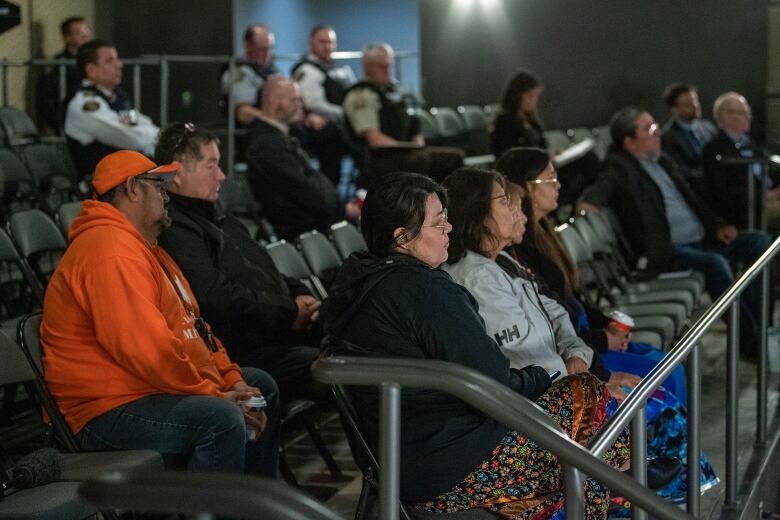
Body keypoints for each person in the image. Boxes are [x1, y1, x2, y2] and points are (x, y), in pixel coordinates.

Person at [321, 171, 630, 518]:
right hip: (453, 467)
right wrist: (542, 376)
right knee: (586, 397)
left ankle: (584, 504)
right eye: (438, 224)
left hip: (400, 462)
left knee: (580, 442)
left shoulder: (360, 286)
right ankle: (612, 502)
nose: (448, 230)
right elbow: (494, 386)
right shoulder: (426, 291)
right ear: (403, 237)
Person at [442, 167, 716, 505]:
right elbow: (525, 359)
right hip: (539, 404)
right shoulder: (477, 278)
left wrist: (577, 356)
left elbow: (557, 312)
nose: (517, 211)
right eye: (505, 203)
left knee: (659, 393)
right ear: (478, 213)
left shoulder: (500, 264)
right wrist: (585, 381)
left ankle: (658, 496)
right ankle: (640, 497)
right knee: (652, 406)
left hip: (567, 378)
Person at [41, 150, 281, 476]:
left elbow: (196, 332)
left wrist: (231, 381)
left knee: (258, 388)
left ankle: (254, 505)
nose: (166, 194)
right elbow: (149, 353)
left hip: (146, 390)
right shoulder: (109, 251)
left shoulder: (148, 250)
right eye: (159, 185)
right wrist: (215, 395)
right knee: (221, 419)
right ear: (132, 189)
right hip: (101, 411)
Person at [496, 147, 688, 403]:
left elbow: (569, 298)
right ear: (528, 187)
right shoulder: (519, 251)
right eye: (551, 178)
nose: (558, 185)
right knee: (666, 375)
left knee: (667, 365)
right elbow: (551, 316)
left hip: (583, 340)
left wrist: (605, 323)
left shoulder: (544, 234)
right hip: (578, 349)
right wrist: (600, 340)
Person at [577, 107, 771, 358]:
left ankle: (762, 330)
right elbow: (598, 191)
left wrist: (717, 226)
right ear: (629, 141)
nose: (657, 132)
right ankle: (751, 343)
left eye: (655, 126)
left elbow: (694, 199)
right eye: (648, 129)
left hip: (702, 239)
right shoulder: (619, 168)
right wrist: (587, 204)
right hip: (668, 253)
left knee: (760, 243)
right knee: (716, 264)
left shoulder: (662, 161)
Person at [155, 122, 324, 402]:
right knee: (345, 371)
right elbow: (216, 299)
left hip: (278, 331)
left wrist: (299, 294)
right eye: (211, 166)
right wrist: (288, 313)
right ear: (177, 173)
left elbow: (265, 270)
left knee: (362, 343)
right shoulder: (176, 231)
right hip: (246, 351)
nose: (221, 176)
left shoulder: (220, 218)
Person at [244, 76, 359, 240]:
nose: (300, 106)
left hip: (316, 223)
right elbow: (307, 189)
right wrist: (342, 208)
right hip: (307, 229)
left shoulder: (278, 138)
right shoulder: (266, 144)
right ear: (273, 101)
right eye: (295, 100)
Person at [342, 42, 463, 185]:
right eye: (383, 67)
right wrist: (409, 148)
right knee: (420, 158)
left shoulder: (392, 92)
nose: (388, 71)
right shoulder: (362, 96)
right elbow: (374, 140)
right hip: (380, 159)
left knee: (453, 157)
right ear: (368, 67)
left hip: (403, 153)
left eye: (390, 65)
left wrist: (416, 139)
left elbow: (411, 123)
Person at [491, 70, 599, 207]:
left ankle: (585, 203)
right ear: (518, 96)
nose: (534, 101)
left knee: (588, 159)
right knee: (586, 162)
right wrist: (544, 159)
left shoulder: (532, 121)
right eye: (531, 96)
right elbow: (507, 157)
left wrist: (552, 154)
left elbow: (539, 147)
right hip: (530, 174)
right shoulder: (505, 122)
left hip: (543, 168)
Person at [65, 39, 159, 181]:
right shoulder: (83, 104)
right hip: (101, 187)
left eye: (117, 59)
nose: (119, 65)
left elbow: (142, 122)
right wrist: (156, 140)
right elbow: (130, 138)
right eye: (110, 61)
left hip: (125, 180)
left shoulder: (116, 97)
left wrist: (154, 138)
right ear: (92, 70)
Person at [703, 91, 780, 232]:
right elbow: (726, 193)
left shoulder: (749, 142)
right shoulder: (715, 149)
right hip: (748, 209)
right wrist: (766, 196)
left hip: (767, 199)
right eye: (743, 113)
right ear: (726, 116)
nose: (749, 117)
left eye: (748, 112)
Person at [291, 25, 356, 125]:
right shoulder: (305, 70)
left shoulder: (336, 69)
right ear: (311, 43)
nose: (328, 47)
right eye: (322, 42)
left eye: (331, 42)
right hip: (326, 126)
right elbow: (314, 105)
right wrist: (347, 113)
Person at [36, 16, 92, 132]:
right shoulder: (59, 65)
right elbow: (45, 101)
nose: (85, 35)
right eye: (79, 32)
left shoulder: (94, 61)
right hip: (71, 126)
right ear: (67, 37)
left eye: (86, 30)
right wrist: (61, 126)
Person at [220, 24, 279, 126]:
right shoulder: (239, 72)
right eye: (261, 49)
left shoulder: (271, 69)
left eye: (270, 48)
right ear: (248, 45)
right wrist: (278, 122)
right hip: (253, 134)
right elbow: (243, 113)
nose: (267, 54)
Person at [660, 83, 717, 181]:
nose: (695, 106)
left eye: (696, 101)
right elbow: (681, 171)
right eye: (688, 104)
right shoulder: (668, 138)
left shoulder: (708, 128)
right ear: (674, 109)